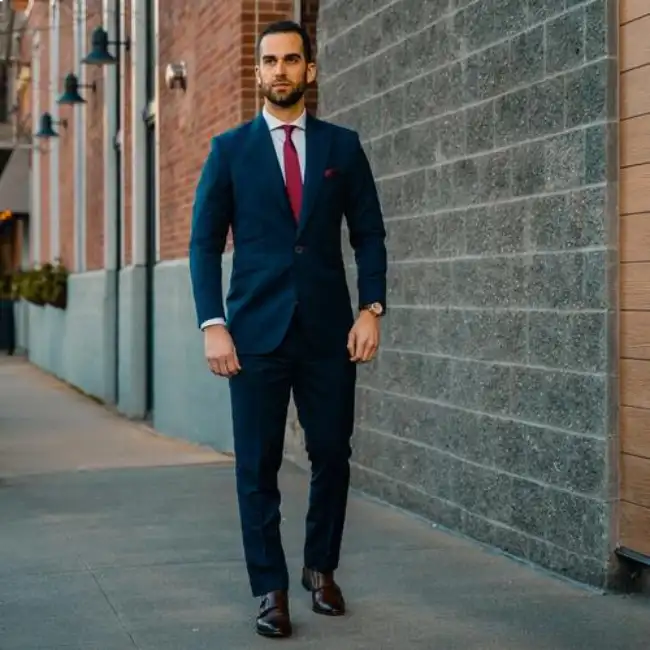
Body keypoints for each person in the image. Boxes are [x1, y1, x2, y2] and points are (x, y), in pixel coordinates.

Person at [189, 19, 387, 639]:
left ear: (311, 71)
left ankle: (319, 568)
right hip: (253, 333)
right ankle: (270, 588)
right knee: (258, 464)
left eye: (291, 60)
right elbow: (202, 244)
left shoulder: (342, 147)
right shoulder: (230, 151)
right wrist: (213, 324)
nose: (280, 70)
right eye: (270, 60)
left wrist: (370, 308)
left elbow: (369, 233)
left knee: (332, 454)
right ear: (258, 73)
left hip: (329, 332)